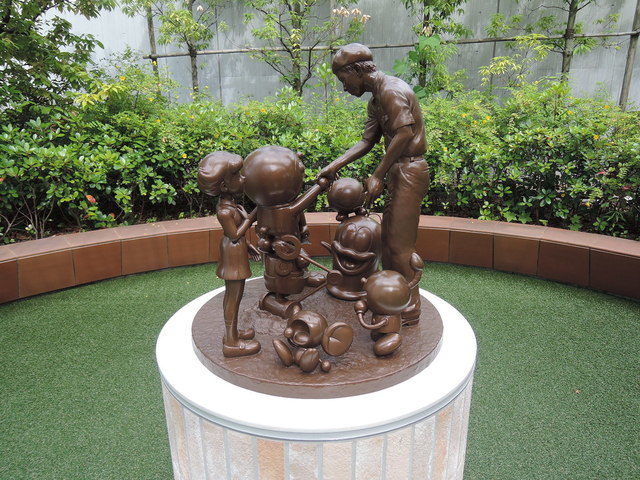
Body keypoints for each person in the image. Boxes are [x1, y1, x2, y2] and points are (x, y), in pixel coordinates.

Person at [318, 43, 429, 323]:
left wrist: (378, 174)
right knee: (389, 240)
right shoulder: (376, 100)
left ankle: (409, 306)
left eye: (343, 79)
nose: (344, 87)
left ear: (357, 70)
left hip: (410, 170)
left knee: (399, 244)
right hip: (399, 171)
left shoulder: (390, 90)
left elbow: (404, 133)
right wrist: (334, 166)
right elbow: (367, 141)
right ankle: (392, 298)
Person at [198, 151, 261, 357]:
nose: (243, 178)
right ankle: (232, 343)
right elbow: (233, 234)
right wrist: (251, 218)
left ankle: (232, 333)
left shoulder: (232, 204)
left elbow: (237, 235)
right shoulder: (224, 211)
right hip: (232, 253)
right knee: (233, 297)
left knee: (236, 295)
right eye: (237, 175)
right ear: (224, 186)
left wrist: (248, 245)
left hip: (236, 249)